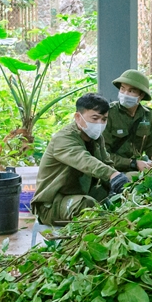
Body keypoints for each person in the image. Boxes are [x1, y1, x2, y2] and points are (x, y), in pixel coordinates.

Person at [32, 93, 132, 225]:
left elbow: (106, 163)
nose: (100, 124)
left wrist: (125, 187)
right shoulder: (63, 139)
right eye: (95, 118)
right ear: (78, 117)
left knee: (130, 182)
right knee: (86, 205)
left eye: (104, 119)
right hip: (52, 205)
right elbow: (84, 160)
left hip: (81, 193)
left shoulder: (96, 138)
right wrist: (112, 175)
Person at [105, 69, 152, 173]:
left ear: (141, 95)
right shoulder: (108, 114)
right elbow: (103, 154)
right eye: (122, 89)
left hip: (139, 166)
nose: (125, 94)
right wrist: (132, 163)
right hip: (113, 170)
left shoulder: (148, 115)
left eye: (131, 91)